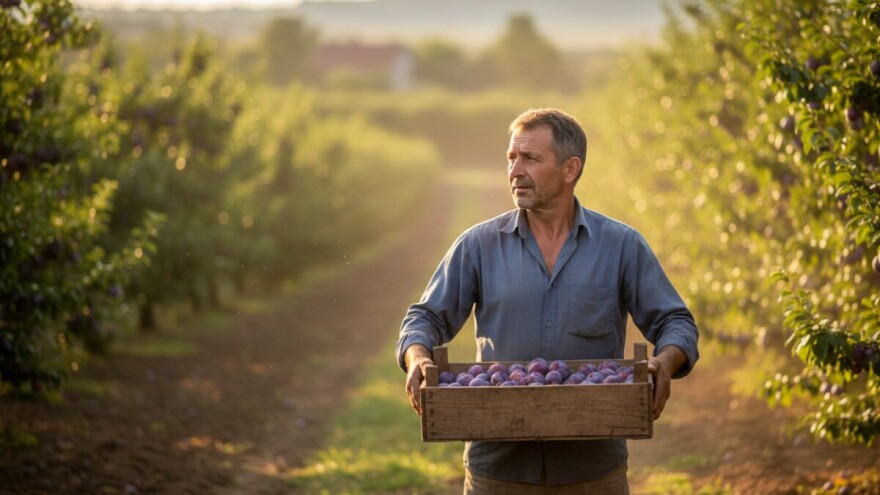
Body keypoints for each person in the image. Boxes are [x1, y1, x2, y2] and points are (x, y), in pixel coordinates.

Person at [395, 108, 699, 494]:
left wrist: (666, 360)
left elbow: (676, 322)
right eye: (511, 158)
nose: (515, 171)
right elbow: (424, 318)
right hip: (499, 468)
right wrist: (418, 358)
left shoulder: (620, 245)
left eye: (530, 159)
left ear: (570, 169)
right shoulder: (478, 246)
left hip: (592, 469)